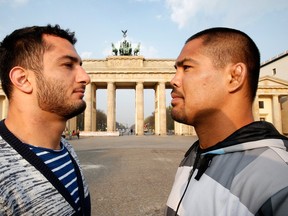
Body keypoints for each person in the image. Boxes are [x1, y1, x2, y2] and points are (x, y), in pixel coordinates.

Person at [165, 27, 288, 216]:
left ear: (234, 76)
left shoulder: (280, 179)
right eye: (176, 70)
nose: (173, 80)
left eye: (187, 67)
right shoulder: (192, 159)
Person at [0, 24, 91, 215]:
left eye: (80, 66)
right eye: (68, 65)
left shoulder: (66, 150)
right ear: (23, 79)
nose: (86, 77)